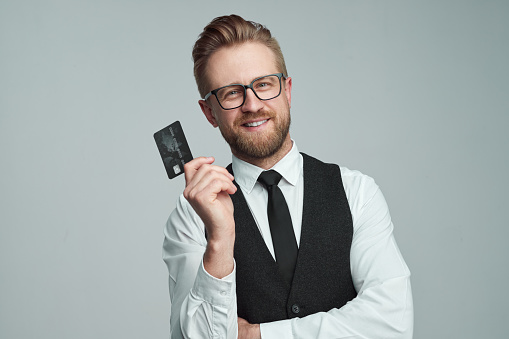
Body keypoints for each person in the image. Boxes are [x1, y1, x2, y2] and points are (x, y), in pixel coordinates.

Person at [163, 14, 413, 339]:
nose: (252, 105)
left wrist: (257, 336)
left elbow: (392, 325)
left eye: (264, 84)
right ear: (210, 112)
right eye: (231, 93)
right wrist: (220, 240)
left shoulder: (357, 193)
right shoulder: (192, 215)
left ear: (287, 90)